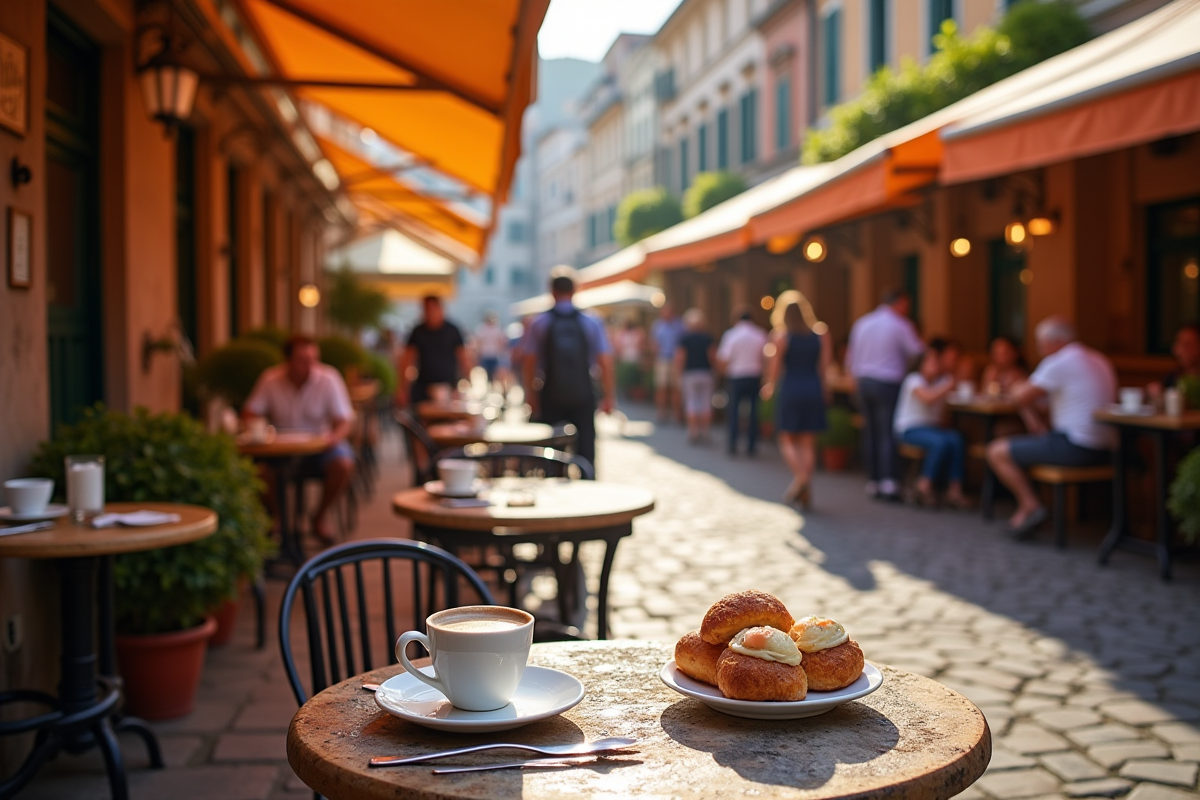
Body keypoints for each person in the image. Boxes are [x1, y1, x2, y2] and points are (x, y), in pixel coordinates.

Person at [986, 316, 1116, 538]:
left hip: (1075, 446)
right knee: (1027, 442)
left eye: (1041, 343)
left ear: (1053, 341)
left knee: (996, 451)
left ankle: (1031, 506)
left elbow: (1021, 395)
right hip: (1109, 449)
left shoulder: (1059, 361)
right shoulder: (1100, 359)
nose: (1040, 350)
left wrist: (1016, 387)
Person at [244, 335, 355, 544]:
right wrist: (260, 427)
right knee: (256, 471)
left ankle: (319, 517)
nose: (310, 365)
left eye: (313, 359)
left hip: (319, 448)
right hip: (278, 450)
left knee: (344, 464)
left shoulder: (329, 378)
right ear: (288, 361)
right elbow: (250, 412)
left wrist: (333, 437)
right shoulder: (270, 379)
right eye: (303, 360)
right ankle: (278, 518)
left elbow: (345, 421)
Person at [519, 269, 616, 469]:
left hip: (550, 394)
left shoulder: (539, 322)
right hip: (584, 394)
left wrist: (530, 395)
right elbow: (605, 361)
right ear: (575, 290)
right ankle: (586, 486)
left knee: (551, 453)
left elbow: (528, 361)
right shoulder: (591, 320)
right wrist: (609, 397)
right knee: (586, 451)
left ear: (552, 291)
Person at [846, 288, 925, 502]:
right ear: (899, 302)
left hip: (865, 382)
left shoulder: (862, 323)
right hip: (887, 383)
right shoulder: (900, 324)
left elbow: (851, 357)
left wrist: (855, 382)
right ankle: (889, 481)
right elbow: (917, 352)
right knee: (887, 431)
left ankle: (873, 480)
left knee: (871, 431)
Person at [762, 298, 830, 508]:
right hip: (813, 388)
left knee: (787, 439)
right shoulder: (821, 335)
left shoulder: (781, 337)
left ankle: (802, 480)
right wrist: (824, 391)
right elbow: (824, 367)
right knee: (807, 441)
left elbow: (774, 368)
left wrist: (769, 386)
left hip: (791, 388)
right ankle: (803, 484)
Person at [894, 344, 971, 509]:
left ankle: (954, 489)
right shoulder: (914, 379)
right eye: (930, 361)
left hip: (931, 428)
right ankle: (924, 485)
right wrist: (949, 385)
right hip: (910, 428)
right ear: (921, 363)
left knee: (956, 439)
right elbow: (928, 398)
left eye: (936, 361)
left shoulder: (940, 381)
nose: (934, 364)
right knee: (939, 442)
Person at [397, 296, 471, 406]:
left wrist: (464, 385)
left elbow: (464, 359)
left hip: (449, 389)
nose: (430, 313)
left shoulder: (452, 330)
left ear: (441, 309)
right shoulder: (418, 332)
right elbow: (407, 361)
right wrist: (402, 389)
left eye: (433, 309)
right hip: (423, 389)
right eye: (427, 309)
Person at [716, 308, 769, 457]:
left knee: (733, 410)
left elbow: (724, 357)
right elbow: (766, 357)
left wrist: (722, 373)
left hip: (736, 376)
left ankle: (732, 443)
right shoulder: (760, 334)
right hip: (754, 375)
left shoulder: (731, 334)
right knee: (753, 411)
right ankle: (751, 445)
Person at [675, 308, 716, 443]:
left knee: (692, 402)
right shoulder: (707, 338)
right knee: (705, 403)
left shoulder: (685, 338)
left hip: (690, 373)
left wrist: (679, 373)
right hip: (705, 372)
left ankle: (693, 431)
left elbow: (680, 357)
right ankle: (705, 431)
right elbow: (712, 356)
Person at [650, 305, 685, 423]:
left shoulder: (679, 324)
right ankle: (662, 412)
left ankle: (677, 413)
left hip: (675, 360)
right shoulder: (658, 325)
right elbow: (654, 342)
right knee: (662, 387)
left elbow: (683, 342)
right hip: (662, 359)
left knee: (676, 388)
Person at [1148, 324, 1200, 401]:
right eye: (1178, 343)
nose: (1178, 350)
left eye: (1187, 345)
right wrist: (1156, 393)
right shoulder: (1173, 378)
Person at [473, 312, 509, 386]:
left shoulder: (497, 328)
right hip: (485, 354)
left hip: (495, 354)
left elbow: (502, 342)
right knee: (487, 372)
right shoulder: (482, 329)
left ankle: (495, 385)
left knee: (496, 373)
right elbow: (478, 342)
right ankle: (490, 385)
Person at [614, 319, 646, 400]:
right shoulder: (623, 334)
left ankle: (631, 393)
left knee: (633, 378)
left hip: (634, 359)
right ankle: (627, 393)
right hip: (626, 359)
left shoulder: (637, 334)